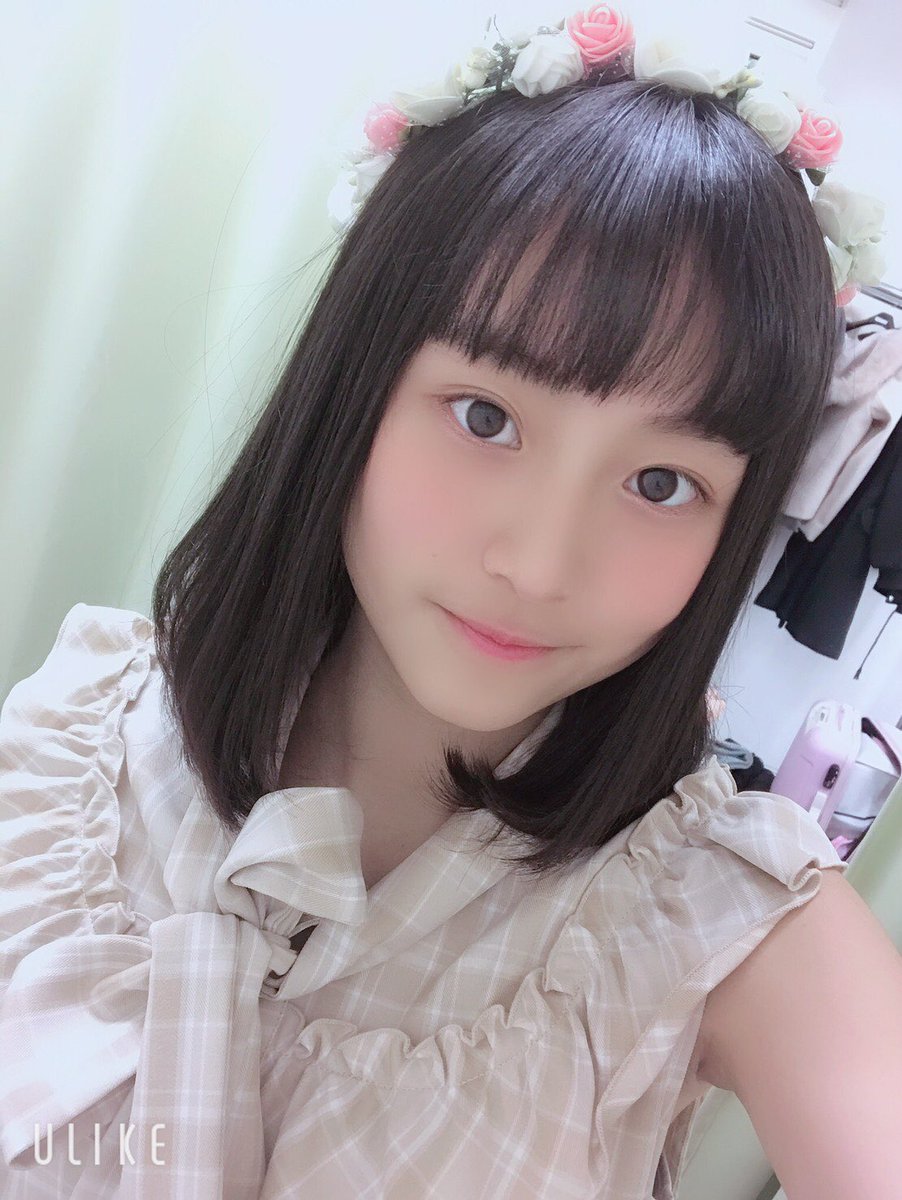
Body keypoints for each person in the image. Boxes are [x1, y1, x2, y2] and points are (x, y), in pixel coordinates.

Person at [1, 7, 900, 1199]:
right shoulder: (72, 743)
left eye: (660, 483)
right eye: (486, 417)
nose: (538, 564)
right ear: (355, 383)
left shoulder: (719, 927)